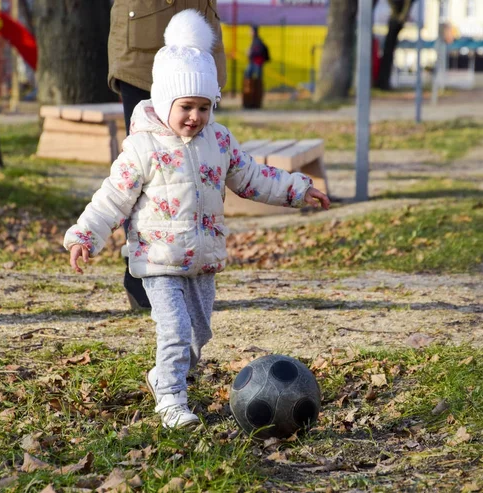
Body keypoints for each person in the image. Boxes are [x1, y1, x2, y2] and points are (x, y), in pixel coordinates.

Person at [64, 10, 330, 429]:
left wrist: (297, 189)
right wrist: (85, 235)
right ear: (166, 100)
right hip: (158, 260)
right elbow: (111, 198)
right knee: (172, 330)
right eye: (186, 106)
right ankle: (170, 400)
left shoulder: (219, 141)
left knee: (197, 336)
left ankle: (163, 378)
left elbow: (252, 177)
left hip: (202, 262)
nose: (195, 117)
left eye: (205, 107)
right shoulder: (143, 147)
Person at [107, 0, 227, 310]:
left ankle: (186, 272)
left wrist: (293, 189)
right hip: (146, 32)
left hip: (201, 29)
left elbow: (243, 169)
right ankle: (146, 274)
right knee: (146, 166)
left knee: (198, 163)